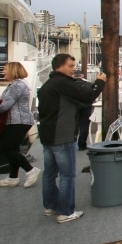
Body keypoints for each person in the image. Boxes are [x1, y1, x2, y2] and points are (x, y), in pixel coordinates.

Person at [38, 54, 105, 223]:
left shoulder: (48, 85)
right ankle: (66, 212)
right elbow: (88, 97)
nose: (73, 68)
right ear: (59, 66)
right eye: (70, 65)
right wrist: (100, 82)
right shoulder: (62, 84)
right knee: (67, 175)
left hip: (47, 135)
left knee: (49, 174)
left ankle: (50, 206)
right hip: (62, 135)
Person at [0, 62, 42, 188]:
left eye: (5, 69)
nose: (3, 72)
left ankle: (31, 170)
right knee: (13, 149)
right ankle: (12, 178)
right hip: (19, 121)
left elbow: (5, 106)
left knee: (5, 148)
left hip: (17, 121)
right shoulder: (18, 84)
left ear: (12, 70)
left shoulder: (16, 86)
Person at [73, 72, 94, 151]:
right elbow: (92, 94)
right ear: (82, 76)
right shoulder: (88, 84)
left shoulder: (69, 85)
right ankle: (82, 144)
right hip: (86, 107)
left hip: (74, 107)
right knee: (84, 126)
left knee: (73, 126)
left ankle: (72, 143)